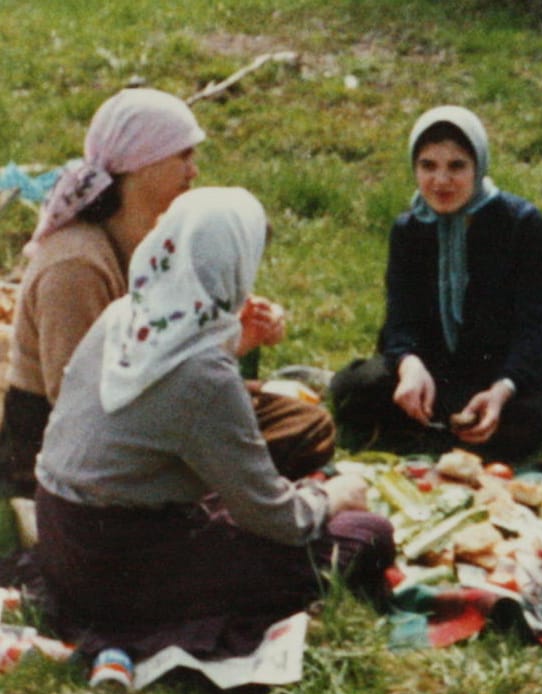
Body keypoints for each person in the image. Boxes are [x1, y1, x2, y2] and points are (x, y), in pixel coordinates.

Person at [32, 187, 394, 661]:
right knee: (367, 534)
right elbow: (278, 519)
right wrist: (330, 497)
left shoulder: (127, 316)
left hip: (59, 535)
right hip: (115, 569)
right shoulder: (204, 375)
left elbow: (165, 401)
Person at [0, 87, 329, 499]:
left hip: (132, 411)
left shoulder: (147, 239)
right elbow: (77, 402)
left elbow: (158, 350)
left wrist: (236, 338)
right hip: (60, 450)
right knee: (287, 436)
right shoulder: (76, 265)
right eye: (183, 157)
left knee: (304, 424)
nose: (193, 172)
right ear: (141, 164)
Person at [330, 105, 542, 462]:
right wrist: (409, 365)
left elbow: (535, 326)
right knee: (354, 386)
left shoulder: (520, 224)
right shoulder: (409, 228)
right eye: (428, 166)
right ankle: (441, 438)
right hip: (431, 374)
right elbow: (399, 320)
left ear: (478, 166)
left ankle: (426, 437)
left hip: (493, 376)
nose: (441, 181)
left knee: (522, 421)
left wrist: (502, 390)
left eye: (457, 166)